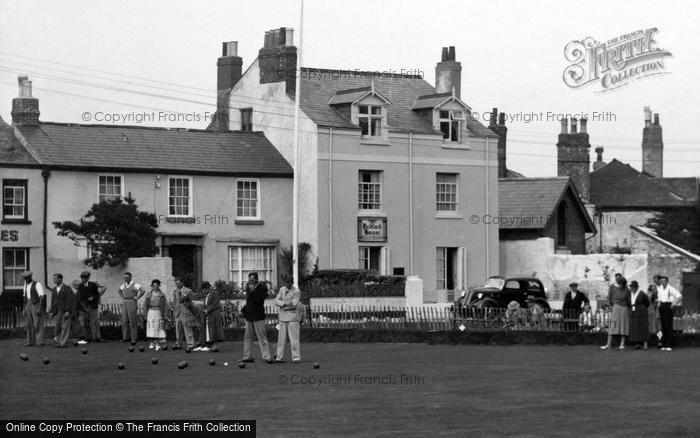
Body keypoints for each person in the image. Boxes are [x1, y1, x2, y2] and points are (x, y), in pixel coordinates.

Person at [239, 272, 273, 364]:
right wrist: (244, 310)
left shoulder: (263, 288)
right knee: (247, 337)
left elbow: (259, 301)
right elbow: (249, 301)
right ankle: (247, 357)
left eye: (253, 279)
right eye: (250, 279)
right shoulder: (248, 287)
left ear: (257, 279)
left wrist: (253, 290)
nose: (251, 281)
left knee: (262, 337)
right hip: (249, 316)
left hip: (258, 316)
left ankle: (267, 357)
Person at [274, 277, 302, 363]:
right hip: (282, 318)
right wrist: (284, 304)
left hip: (293, 318)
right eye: (286, 282)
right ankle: (279, 357)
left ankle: (296, 358)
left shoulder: (296, 291)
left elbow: (294, 305)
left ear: (292, 282)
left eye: (289, 282)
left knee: (294, 339)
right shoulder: (282, 289)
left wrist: (282, 307)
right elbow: (276, 301)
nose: (288, 284)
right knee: (281, 339)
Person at [601, 274, 631, 350]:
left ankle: (622, 343)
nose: (619, 285)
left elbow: (629, 301)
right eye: (619, 284)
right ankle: (608, 344)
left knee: (623, 325)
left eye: (621, 284)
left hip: (624, 309)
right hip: (616, 308)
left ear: (624, 284)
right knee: (612, 325)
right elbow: (611, 299)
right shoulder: (616, 289)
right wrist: (612, 306)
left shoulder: (627, 290)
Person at [195, 281, 224, 352]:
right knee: (208, 331)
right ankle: (207, 345)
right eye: (203, 290)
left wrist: (207, 310)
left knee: (213, 330)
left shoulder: (215, 293)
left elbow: (216, 304)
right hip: (209, 315)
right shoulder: (207, 295)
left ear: (208, 288)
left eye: (204, 289)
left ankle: (213, 347)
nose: (203, 291)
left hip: (214, 315)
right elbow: (206, 305)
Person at [77, 271, 106, 343]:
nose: (83, 279)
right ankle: (88, 337)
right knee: (86, 323)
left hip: (93, 306)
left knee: (95, 322)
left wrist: (93, 297)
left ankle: (97, 337)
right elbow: (80, 298)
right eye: (82, 277)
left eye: (85, 277)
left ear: (88, 278)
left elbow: (97, 295)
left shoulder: (93, 285)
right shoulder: (80, 286)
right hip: (84, 306)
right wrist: (84, 307)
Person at [118, 272, 146, 345]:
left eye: (127, 277)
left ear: (130, 277)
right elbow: (119, 290)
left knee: (132, 321)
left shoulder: (135, 285)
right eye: (124, 277)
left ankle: (133, 338)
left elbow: (143, 290)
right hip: (125, 302)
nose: (125, 279)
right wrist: (122, 296)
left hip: (132, 301)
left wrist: (137, 297)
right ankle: (125, 337)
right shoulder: (123, 285)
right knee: (124, 321)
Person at [656, 275, 682, 351]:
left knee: (668, 326)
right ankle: (663, 344)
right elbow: (659, 299)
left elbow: (679, 296)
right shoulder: (660, 289)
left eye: (664, 281)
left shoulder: (670, 289)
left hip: (668, 305)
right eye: (661, 281)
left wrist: (673, 304)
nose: (662, 282)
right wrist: (658, 308)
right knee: (663, 326)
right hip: (662, 306)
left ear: (667, 281)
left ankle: (669, 344)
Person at [21, 271, 46, 347]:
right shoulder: (25, 285)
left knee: (38, 323)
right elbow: (24, 297)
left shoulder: (37, 284)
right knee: (28, 324)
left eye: (27, 278)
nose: (26, 279)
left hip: (36, 303)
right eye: (25, 278)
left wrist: (39, 307)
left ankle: (39, 341)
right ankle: (30, 341)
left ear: (30, 277)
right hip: (28, 304)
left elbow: (42, 296)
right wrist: (24, 308)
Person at [50, 274, 76, 348]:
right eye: (53, 278)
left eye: (55, 278)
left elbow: (70, 300)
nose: (54, 280)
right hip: (57, 311)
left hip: (65, 310)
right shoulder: (54, 289)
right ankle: (59, 342)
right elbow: (53, 301)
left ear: (60, 279)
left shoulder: (67, 288)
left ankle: (63, 343)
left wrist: (68, 311)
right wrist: (52, 311)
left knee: (65, 327)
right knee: (57, 327)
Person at [172, 277, 196, 350]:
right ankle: (178, 343)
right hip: (177, 313)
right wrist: (174, 309)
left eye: (178, 283)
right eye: (176, 283)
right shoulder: (175, 291)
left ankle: (191, 344)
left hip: (186, 312)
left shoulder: (188, 291)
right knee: (178, 330)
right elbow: (174, 302)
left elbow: (193, 302)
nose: (177, 285)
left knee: (188, 329)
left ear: (182, 283)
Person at [143, 279, 168, 350]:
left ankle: (157, 343)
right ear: (152, 286)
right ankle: (152, 342)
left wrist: (165, 314)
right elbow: (145, 305)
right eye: (153, 285)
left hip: (159, 312)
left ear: (159, 286)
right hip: (150, 312)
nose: (155, 287)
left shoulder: (162, 295)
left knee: (157, 327)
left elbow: (165, 305)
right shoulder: (148, 295)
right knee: (151, 327)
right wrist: (145, 314)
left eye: (156, 285)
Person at [628, 280, 651, 350]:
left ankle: (645, 344)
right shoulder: (630, 294)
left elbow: (647, 303)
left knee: (643, 327)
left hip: (642, 313)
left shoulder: (642, 294)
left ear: (636, 287)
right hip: (633, 313)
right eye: (631, 287)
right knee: (635, 328)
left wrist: (642, 308)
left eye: (633, 287)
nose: (631, 288)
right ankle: (637, 343)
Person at [647, 275, 662, 347]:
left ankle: (665, 339)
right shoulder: (654, 288)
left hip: (664, 307)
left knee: (664, 324)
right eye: (654, 280)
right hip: (657, 308)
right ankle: (659, 340)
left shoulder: (664, 287)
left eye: (655, 280)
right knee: (658, 325)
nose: (655, 281)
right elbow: (651, 298)